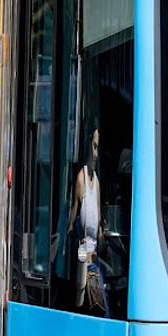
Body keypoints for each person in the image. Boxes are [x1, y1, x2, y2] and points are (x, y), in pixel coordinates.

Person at [67, 127, 109, 316]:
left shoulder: (97, 182)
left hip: (94, 260)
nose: (96, 154)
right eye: (94, 147)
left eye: (98, 148)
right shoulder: (81, 179)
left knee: (102, 308)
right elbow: (73, 217)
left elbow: (98, 224)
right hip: (83, 260)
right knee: (95, 309)